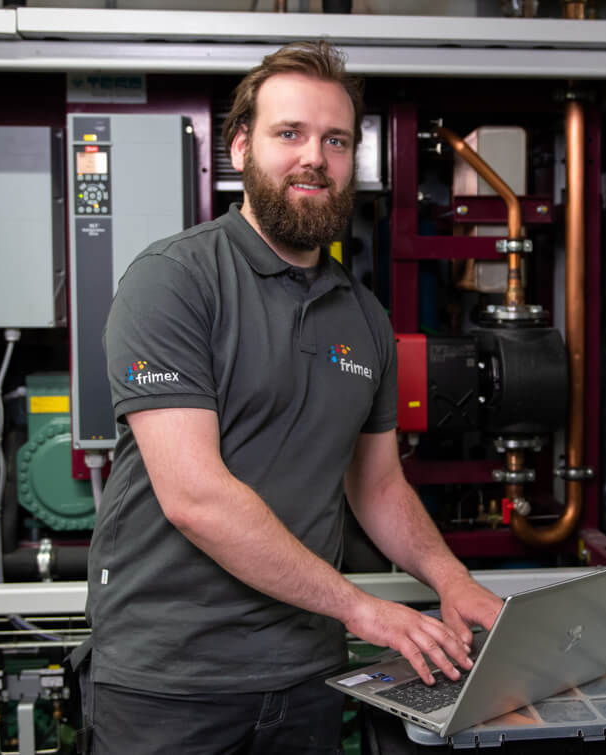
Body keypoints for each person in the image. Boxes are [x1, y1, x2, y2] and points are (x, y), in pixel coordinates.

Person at [79, 40, 503, 755]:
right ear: (241, 146)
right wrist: (364, 610)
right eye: (290, 134)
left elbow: (376, 483)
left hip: (306, 677)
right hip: (170, 684)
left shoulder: (363, 316)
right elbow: (196, 496)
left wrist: (451, 578)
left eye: (336, 140)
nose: (315, 157)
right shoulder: (175, 281)